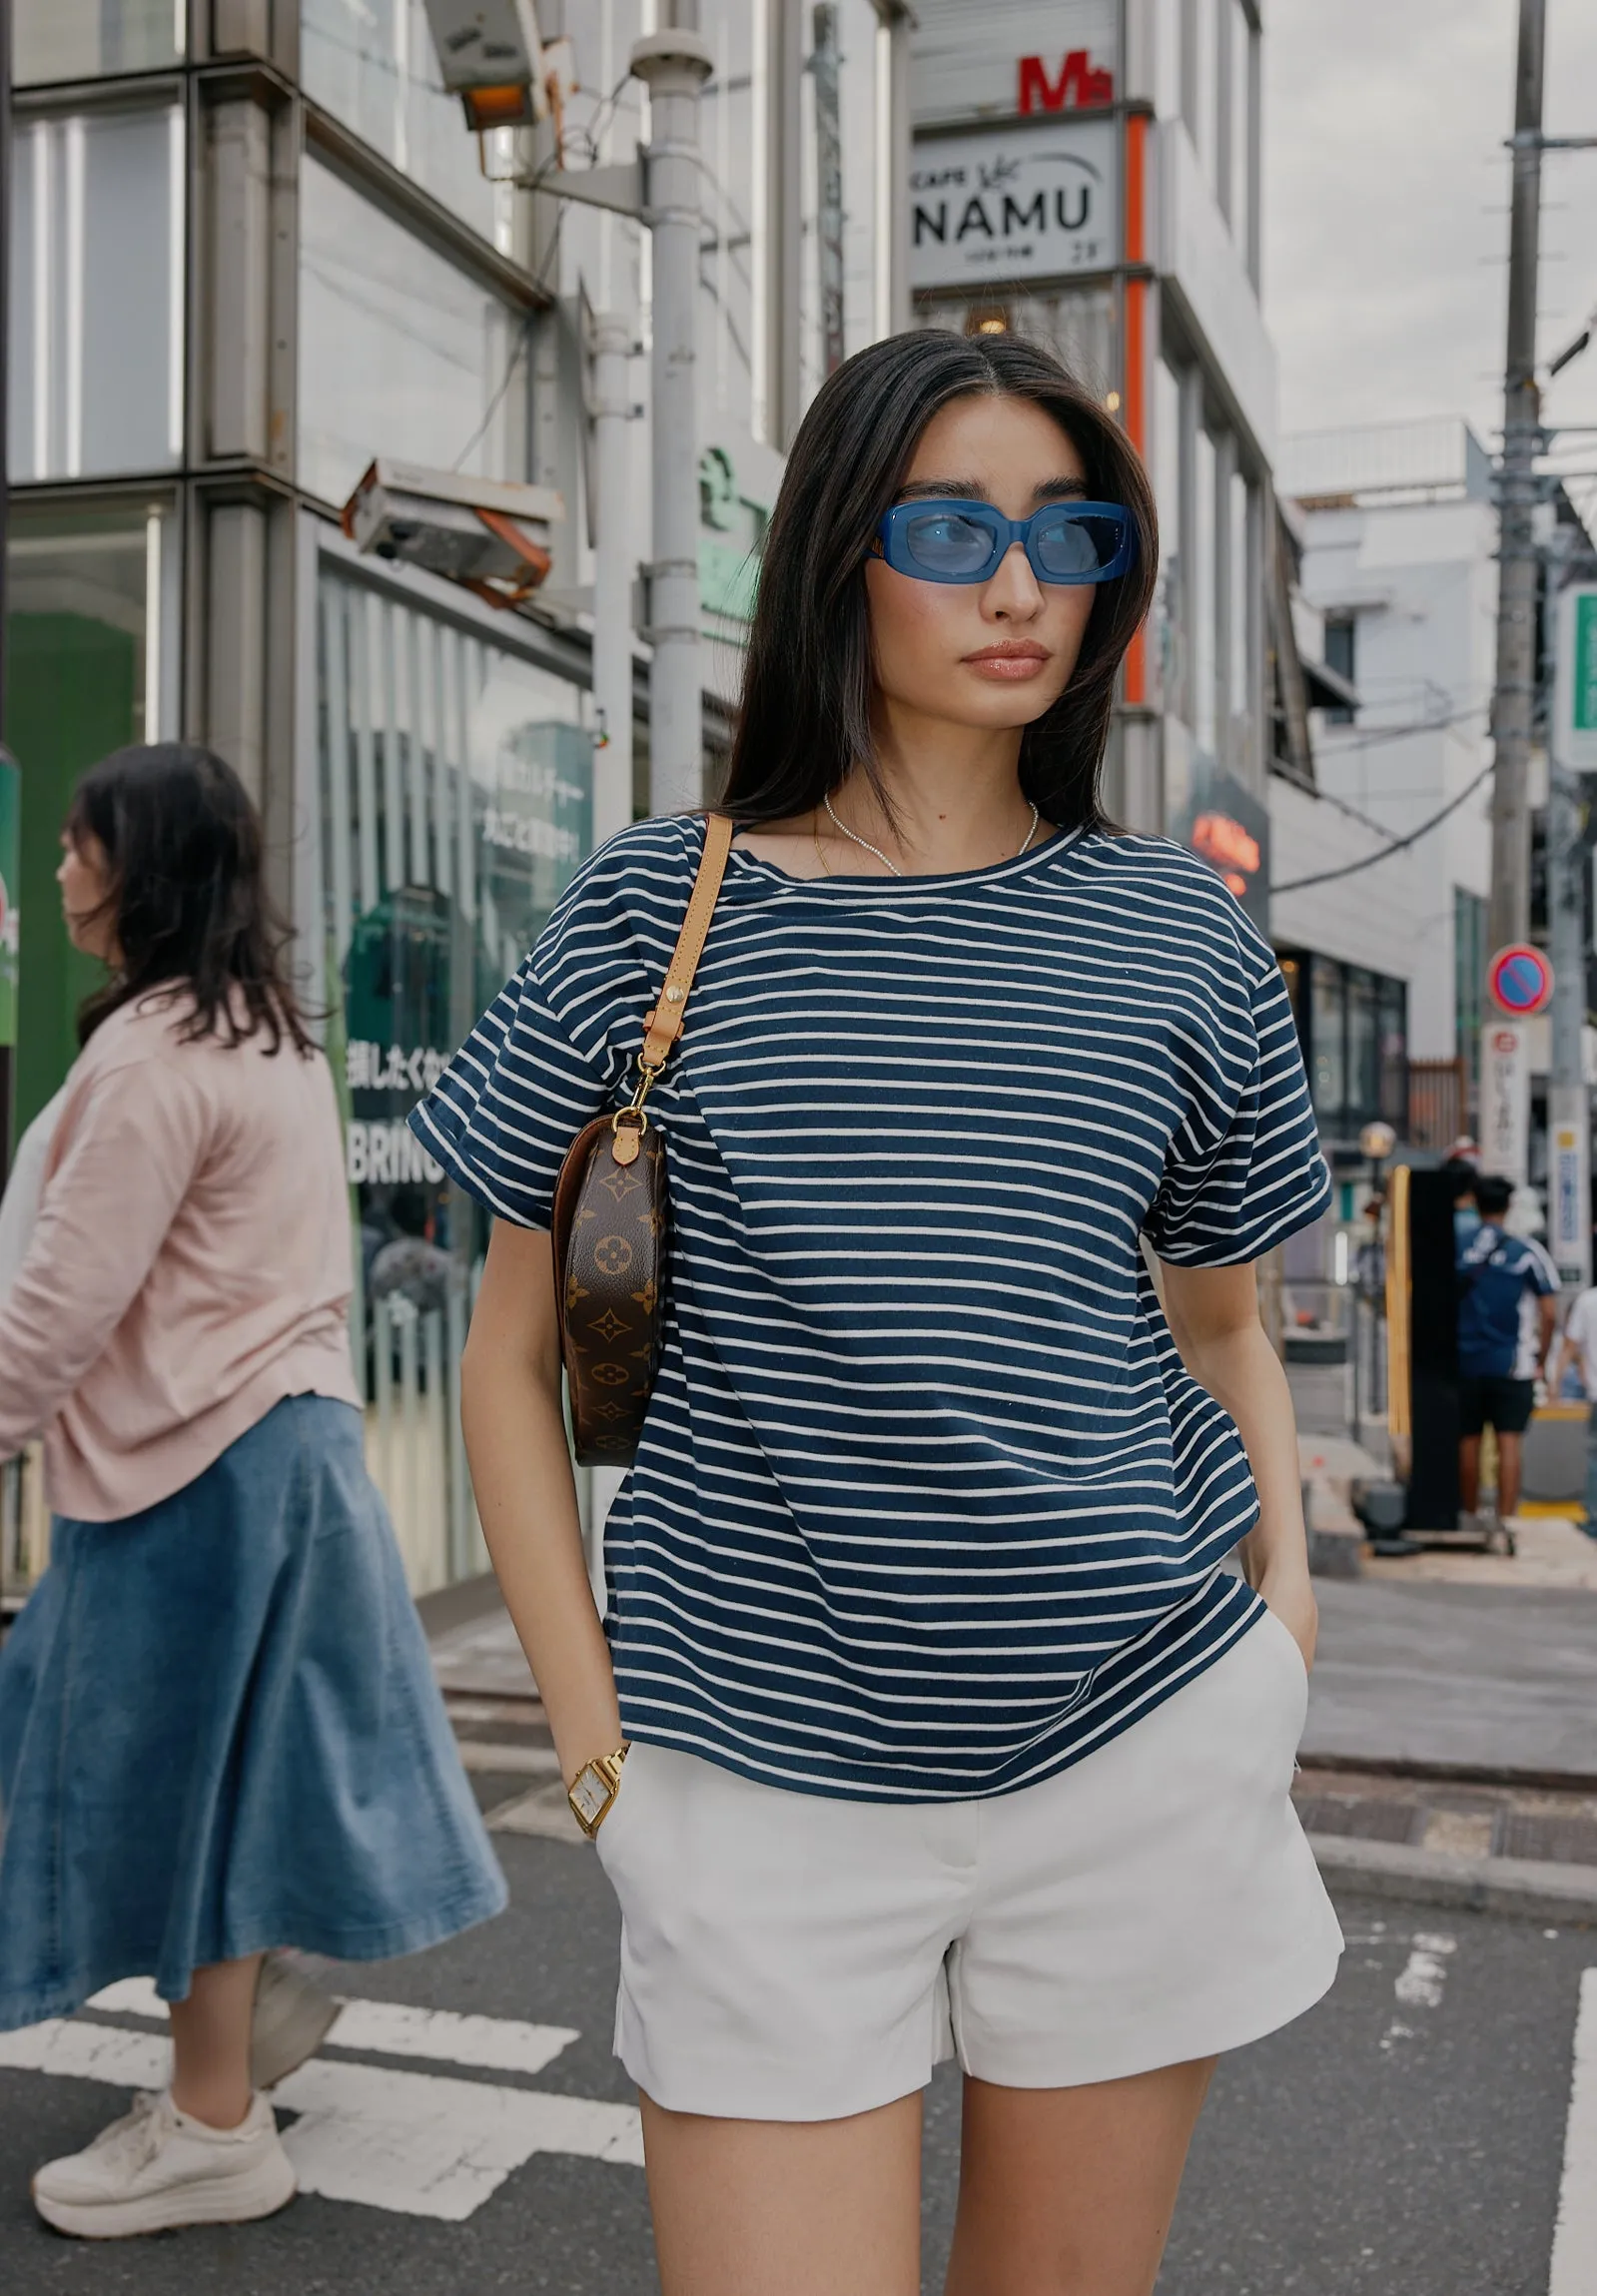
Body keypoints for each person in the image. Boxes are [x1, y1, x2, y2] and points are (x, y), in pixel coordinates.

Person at [414, 330, 1342, 2296]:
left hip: (1136, 1746)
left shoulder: (1176, 930)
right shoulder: (655, 911)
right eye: (951, 527)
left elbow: (1218, 1324)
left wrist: (1281, 1621)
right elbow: (500, 1358)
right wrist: (595, 1755)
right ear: (840, 549)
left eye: (1066, 534)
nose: (1019, 587)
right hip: (749, 1785)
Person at [0, 744, 506, 2239]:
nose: (61, 869)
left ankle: (214, 2118)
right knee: (227, 1767)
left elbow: (55, 1309)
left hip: (198, 1472)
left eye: (81, 846)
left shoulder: (156, 1060)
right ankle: (239, 2013)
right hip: (274, 1451)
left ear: (138, 866)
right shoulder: (268, 1032)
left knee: (178, 1776)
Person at [1456, 1171, 1559, 1533]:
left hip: (1463, 1360)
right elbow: (1549, 1310)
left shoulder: (1457, 1245)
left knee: (1466, 1440)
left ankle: (1469, 1517)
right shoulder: (1526, 1251)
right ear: (1509, 1206)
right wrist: (1542, 1359)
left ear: (1475, 1201)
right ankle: (1506, 1521)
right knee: (1508, 1442)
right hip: (1511, 1363)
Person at [1553, 1273, 1597, 1540]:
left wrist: (1554, 1383)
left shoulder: (1588, 1301)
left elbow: (1570, 1346)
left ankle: (1594, 1520)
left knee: (1596, 1457)